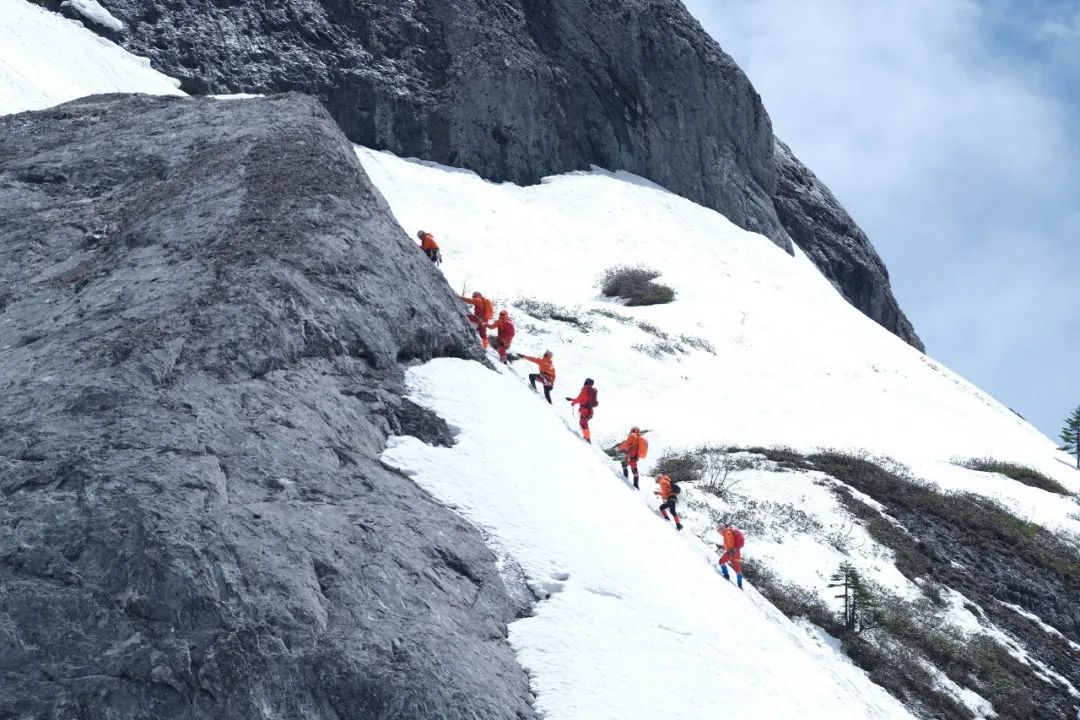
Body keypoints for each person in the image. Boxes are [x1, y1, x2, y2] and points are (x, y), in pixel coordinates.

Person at [567, 378, 598, 443]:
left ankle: (587, 440)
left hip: (584, 411)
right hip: (590, 411)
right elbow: (583, 399)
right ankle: (586, 437)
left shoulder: (584, 389)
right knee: (583, 423)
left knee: (583, 424)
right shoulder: (591, 391)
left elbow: (579, 399)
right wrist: (572, 399)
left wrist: (573, 403)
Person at [717, 522, 745, 589]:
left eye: (719, 530)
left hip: (732, 551)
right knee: (737, 569)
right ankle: (740, 584)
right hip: (737, 551)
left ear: (722, 528)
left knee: (721, 561)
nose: (719, 532)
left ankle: (726, 575)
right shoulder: (728, 532)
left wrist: (730, 551)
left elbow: (731, 542)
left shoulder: (727, 533)